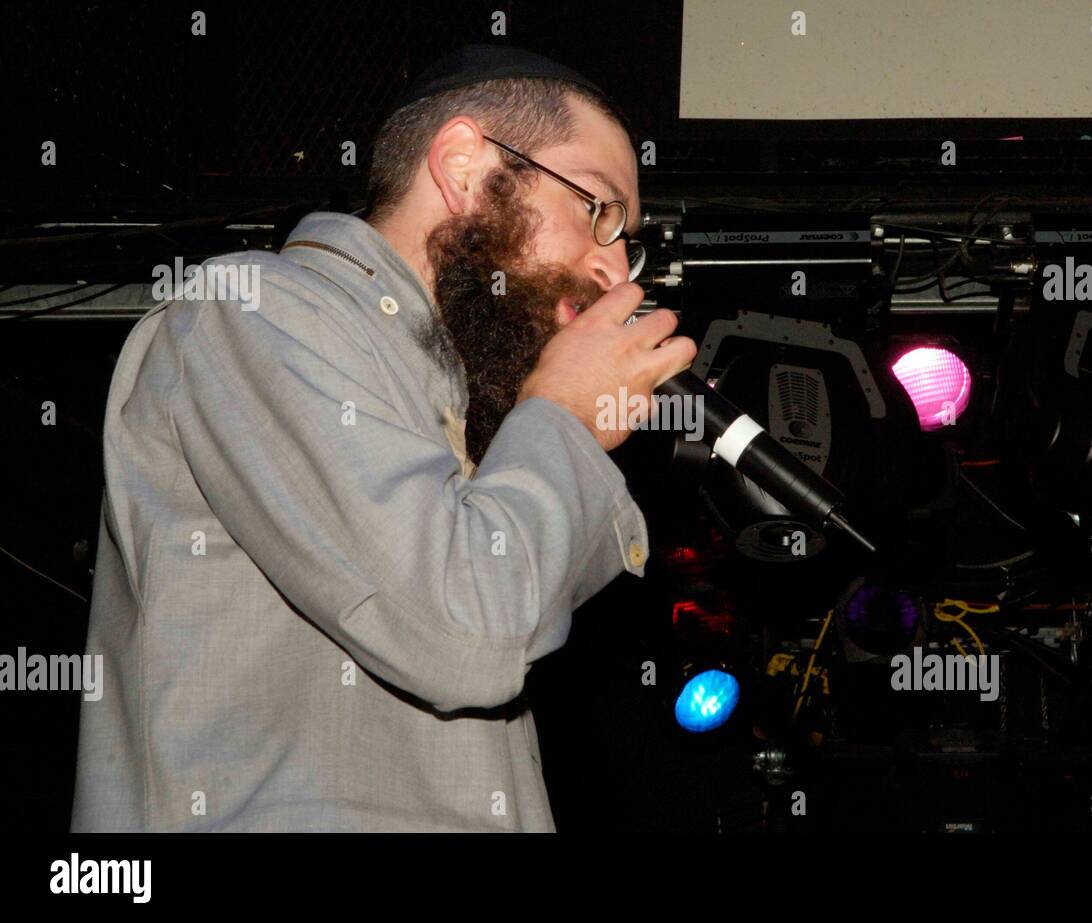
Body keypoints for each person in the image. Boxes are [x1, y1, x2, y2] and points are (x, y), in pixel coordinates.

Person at [70, 44, 696, 832]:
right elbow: (469, 631)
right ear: (465, 166)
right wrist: (565, 417)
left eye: (629, 241)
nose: (617, 272)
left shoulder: (467, 416)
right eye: (598, 209)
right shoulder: (257, 309)